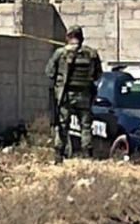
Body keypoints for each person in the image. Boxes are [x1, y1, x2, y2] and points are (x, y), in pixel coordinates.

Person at [44, 26, 103, 162]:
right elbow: (98, 74)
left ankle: (59, 155)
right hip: (85, 95)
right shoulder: (91, 54)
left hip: (65, 96)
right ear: (81, 37)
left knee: (62, 125)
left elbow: (49, 72)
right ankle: (87, 156)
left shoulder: (60, 53)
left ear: (67, 37)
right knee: (86, 126)